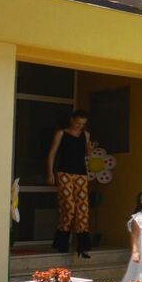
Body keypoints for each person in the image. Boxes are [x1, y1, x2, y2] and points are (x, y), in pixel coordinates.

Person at [46, 109, 93, 258]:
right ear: (72, 120)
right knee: (69, 206)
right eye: (78, 123)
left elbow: (87, 154)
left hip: (81, 174)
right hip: (64, 173)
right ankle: (61, 243)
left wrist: (89, 150)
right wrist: (50, 173)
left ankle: (83, 246)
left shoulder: (85, 135)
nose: (80, 126)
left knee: (83, 209)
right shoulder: (61, 133)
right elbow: (52, 153)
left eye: (83, 124)